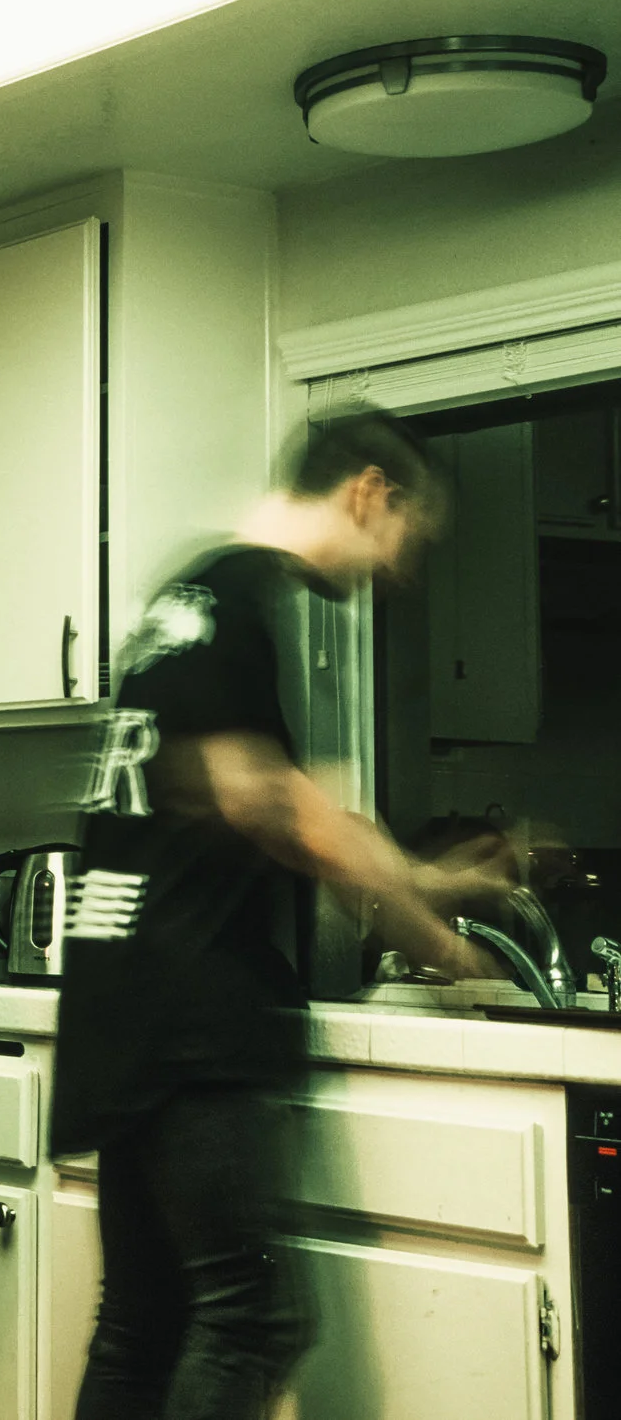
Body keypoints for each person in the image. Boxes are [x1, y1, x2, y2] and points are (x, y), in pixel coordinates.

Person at [55, 410, 494, 1420]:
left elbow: (251, 797)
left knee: (142, 1320)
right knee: (255, 1321)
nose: (402, 570)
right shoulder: (247, 592)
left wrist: (419, 879)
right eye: (407, 537)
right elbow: (266, 798)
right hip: (195, 1016)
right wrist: (433, 937)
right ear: (368, 491)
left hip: (120, 1005)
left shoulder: (184, 599)